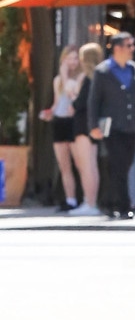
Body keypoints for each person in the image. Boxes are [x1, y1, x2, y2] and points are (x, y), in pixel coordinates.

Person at [88, 31, 135, 219]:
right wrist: (93, 126)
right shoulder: (103, 71)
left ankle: (108, 203)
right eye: (129, 45)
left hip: (131, 126)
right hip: (111, 127)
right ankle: (123, 206)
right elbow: (94, 101)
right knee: (118, 164)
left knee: (123, 165)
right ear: (117, 48)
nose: (132, 49)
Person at [39, 45, 82, 211]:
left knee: (80, 163)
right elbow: (58, 103)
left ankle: (85, 199)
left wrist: (64, 76)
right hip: (60, 121)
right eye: (69, 58)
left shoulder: (80, 77)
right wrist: (49, 112)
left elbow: (72, 95)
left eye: (75, 58)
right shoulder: (57, 81)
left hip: (74, 122)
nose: (72, 62)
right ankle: (70, 199)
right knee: (64, 165)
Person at [70, 42, 104, 217]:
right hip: (91, 124)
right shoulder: (100, 77)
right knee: (91, 165)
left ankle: (89, 202)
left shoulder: (87, 79)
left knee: (86, 166)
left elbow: (78, 103)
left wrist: (73, 95)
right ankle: (90, 201)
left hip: (83, 124)